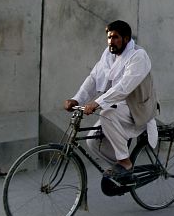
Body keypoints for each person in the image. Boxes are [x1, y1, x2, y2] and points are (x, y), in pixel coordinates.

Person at [64, 20, 158, 182]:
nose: (111, 42)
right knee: (94, 142)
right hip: (117, 105)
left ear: (126, 39)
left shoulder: (138, 56)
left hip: (137, 106)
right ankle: (123, 172)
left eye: (115, 37)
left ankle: (125, 163)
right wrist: (76, 98)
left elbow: (124, 87)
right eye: (109, 37)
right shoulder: (108, 55)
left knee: (106, 114)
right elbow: (93, 78)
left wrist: (98, 103)